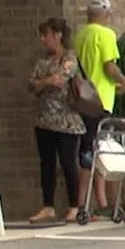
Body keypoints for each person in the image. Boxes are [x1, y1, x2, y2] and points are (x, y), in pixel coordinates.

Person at [74, 0, 125, 218]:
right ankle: (97, 202)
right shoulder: (106, 34)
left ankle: (90, 202)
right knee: (99, 150)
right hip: (101, 100)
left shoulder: (80, 35)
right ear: (106, 14)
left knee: (86, 149)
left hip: (81, 98)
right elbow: (109, 67)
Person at [27, 18, 86, 224]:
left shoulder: (69, 57)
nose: (43, 40)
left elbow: (61, 79)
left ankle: (74, 206)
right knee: (47, 163)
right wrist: (46, 81)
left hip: (65, 119)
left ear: (58, 35)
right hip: (44, 118)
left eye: (46, 35)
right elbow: (32, 84)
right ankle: (48, 206)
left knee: (68, 162)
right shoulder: (42, 59)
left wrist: (44, 82)